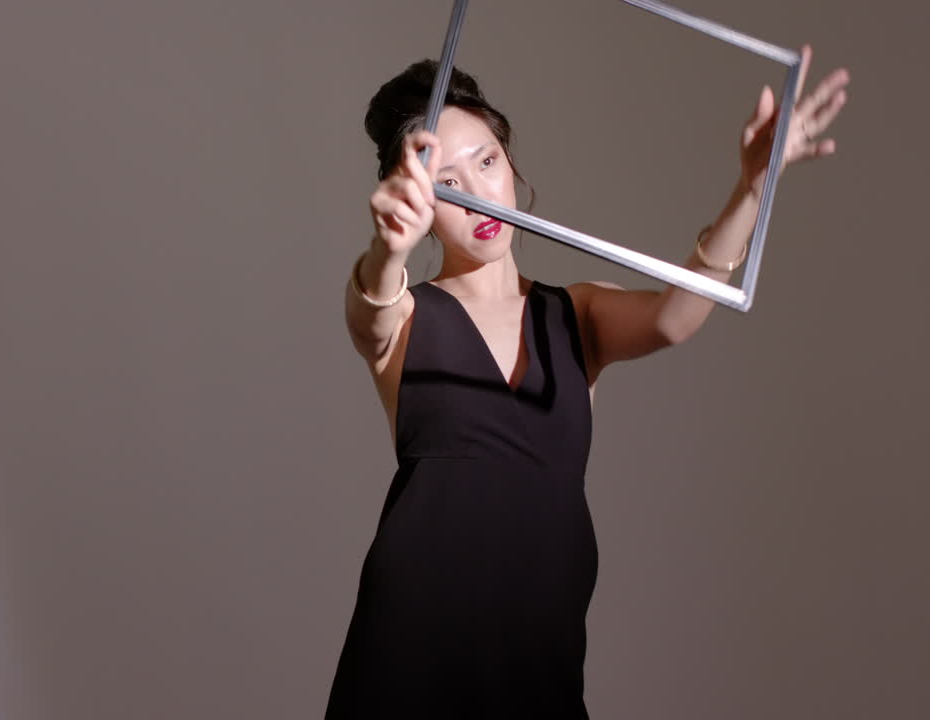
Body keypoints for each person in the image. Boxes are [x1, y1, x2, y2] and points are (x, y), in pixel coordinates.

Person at [326, 50, 850, 718]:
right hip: (411, 654)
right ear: (419, 202)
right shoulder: (403, 315)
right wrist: (386, 249)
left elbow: (673, 317)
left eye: (486, 162)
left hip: (539, 655)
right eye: (445, 182)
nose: (477, 194)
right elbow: (370, 306)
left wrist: (752, 185)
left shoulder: (576, 314)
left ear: (510, 161)